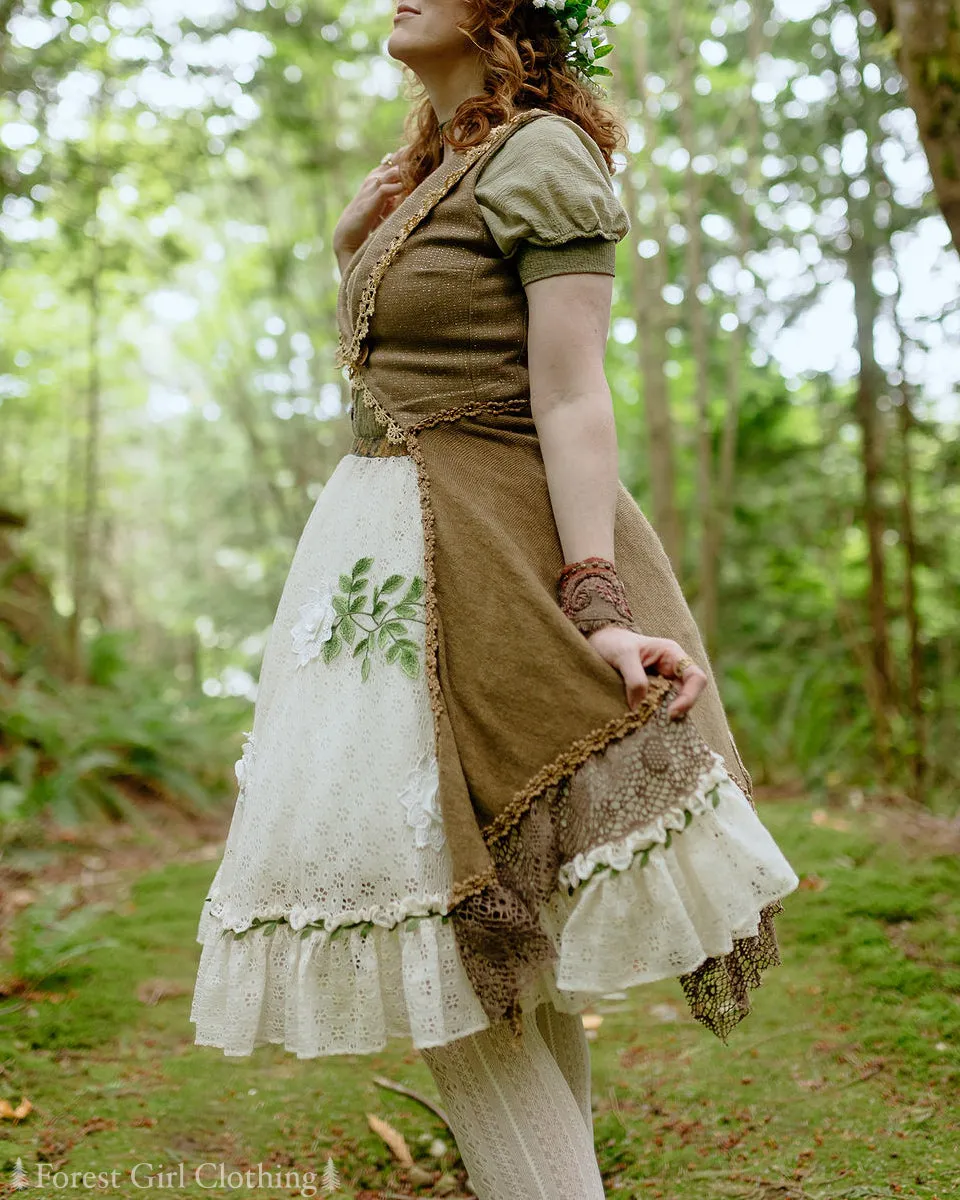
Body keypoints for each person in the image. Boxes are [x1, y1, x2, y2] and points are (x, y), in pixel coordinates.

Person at [190, 1, 800, 1195]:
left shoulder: (539, 155)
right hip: (384, 564)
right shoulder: (440, 161)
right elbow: (413, 356)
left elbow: (572, 400)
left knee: (448, 937)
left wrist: (598, 600)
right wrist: (348, 243)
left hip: (486, 557)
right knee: (479, 946)